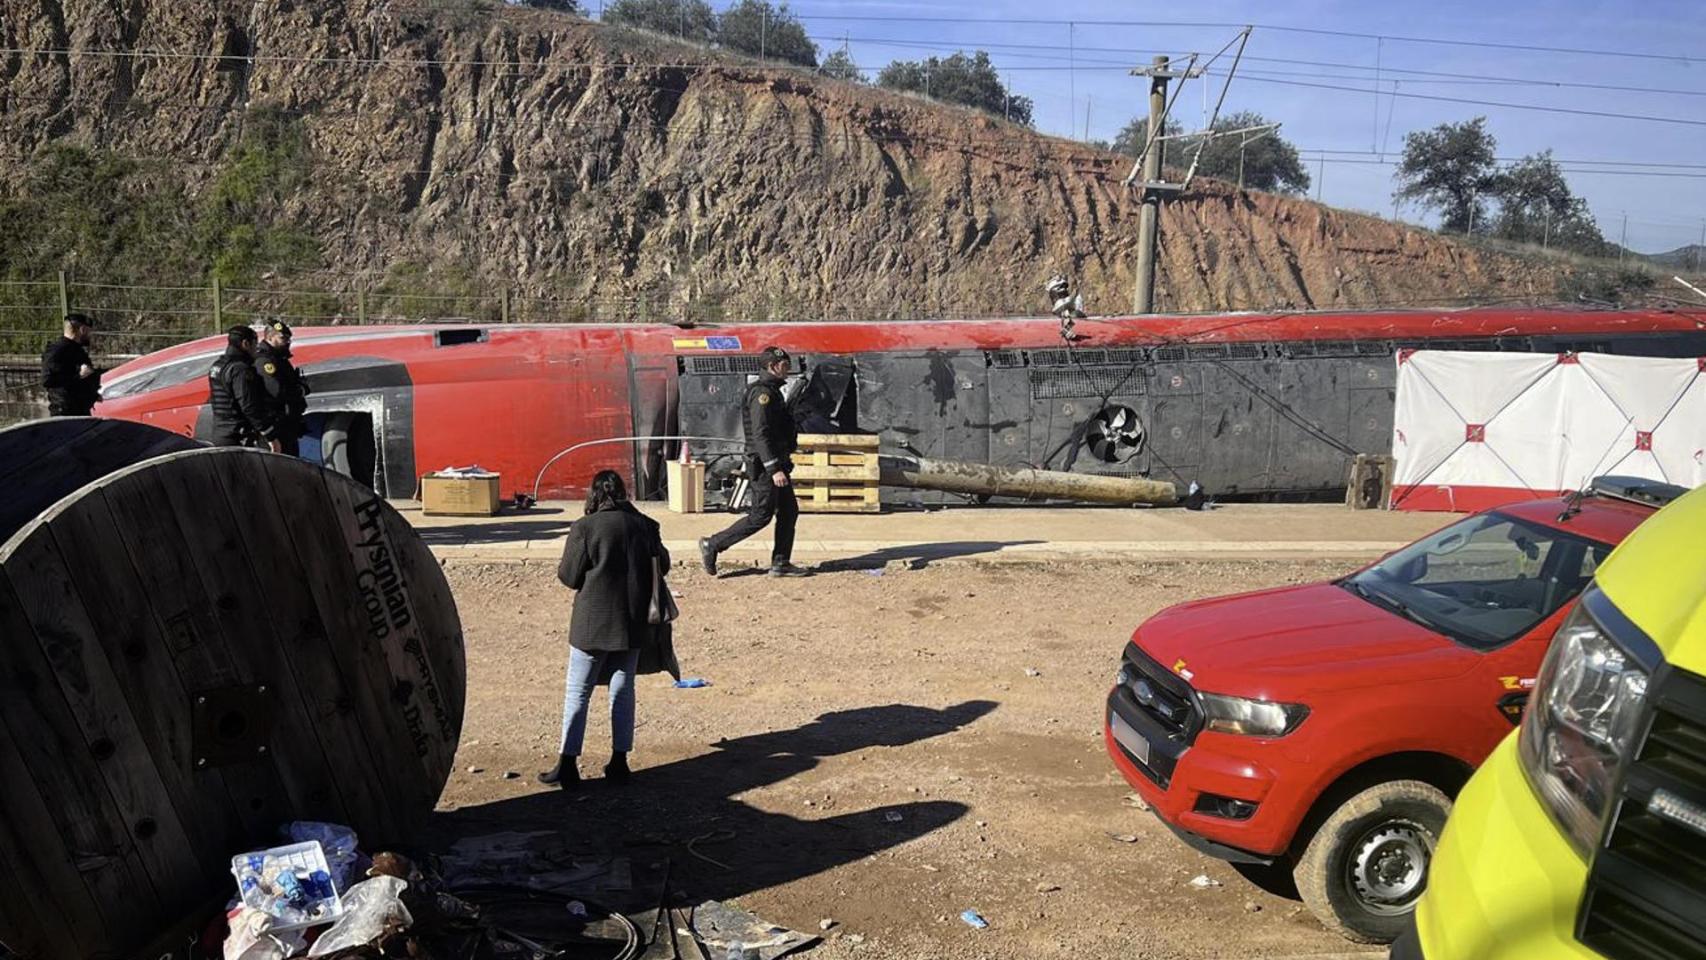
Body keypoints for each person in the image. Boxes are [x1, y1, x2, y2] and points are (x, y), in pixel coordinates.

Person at [541, 470, 671, 789]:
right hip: (633, 623)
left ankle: (568, 764)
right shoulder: (646, 526)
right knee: (623, 691)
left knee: (579, 691)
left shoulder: (585, 527)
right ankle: (619, 762)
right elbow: (663, 566)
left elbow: (569, 576)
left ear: (594, 495)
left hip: (592, 623)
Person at [698, 345, 809, 578]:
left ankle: (781, 563)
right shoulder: (762, 395)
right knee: (761, 516)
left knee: (789, 512)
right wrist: (773, 468)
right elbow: (760, 433)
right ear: (772, 366)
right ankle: (713, 544)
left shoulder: (773, 391)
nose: (787, 371)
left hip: (776, 462)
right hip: (765, 466)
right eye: (784, 366)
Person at [207, 325, 282, 450]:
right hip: (239, 437)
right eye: (254, 344)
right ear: (245, 344)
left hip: (220, 433)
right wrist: (270, 435)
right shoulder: (241, 370)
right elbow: (249, 406)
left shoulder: (217, 366)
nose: (256, 348)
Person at [256, 319, 309, 456]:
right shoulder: (265, 361)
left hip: (287, 424)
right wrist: (299, 391)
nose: (287, 342)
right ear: (269, 337)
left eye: (288, 339)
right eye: (283, 338)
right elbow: (277, 391)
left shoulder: (280, 359)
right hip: (276, 425)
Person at [40, 313, 101, 416]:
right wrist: (78, 376)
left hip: (80, 409)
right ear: (82, 330)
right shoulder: (58, 350)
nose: (90, 335)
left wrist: (93, 395)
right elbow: (47, 380)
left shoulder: (77, 350)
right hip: (65, 412)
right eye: (88, 331)